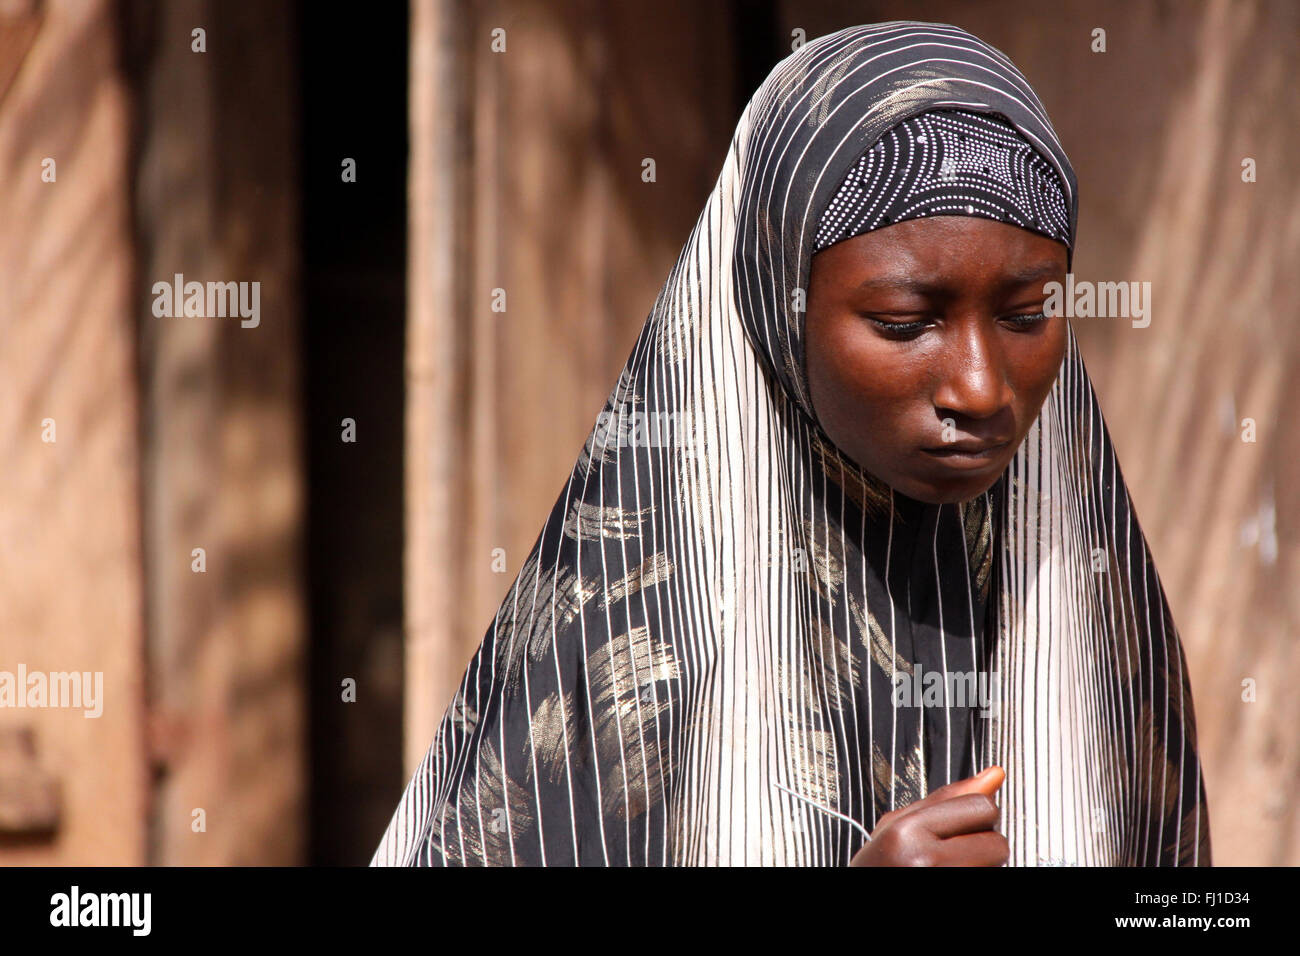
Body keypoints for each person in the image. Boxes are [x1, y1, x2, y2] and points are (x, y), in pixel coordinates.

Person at [371, 20, 1211, 866]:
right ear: (784, 308)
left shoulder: (1100, 617)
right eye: (904, 323)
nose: (980, 387)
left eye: (1027, 315)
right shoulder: (622, 650)